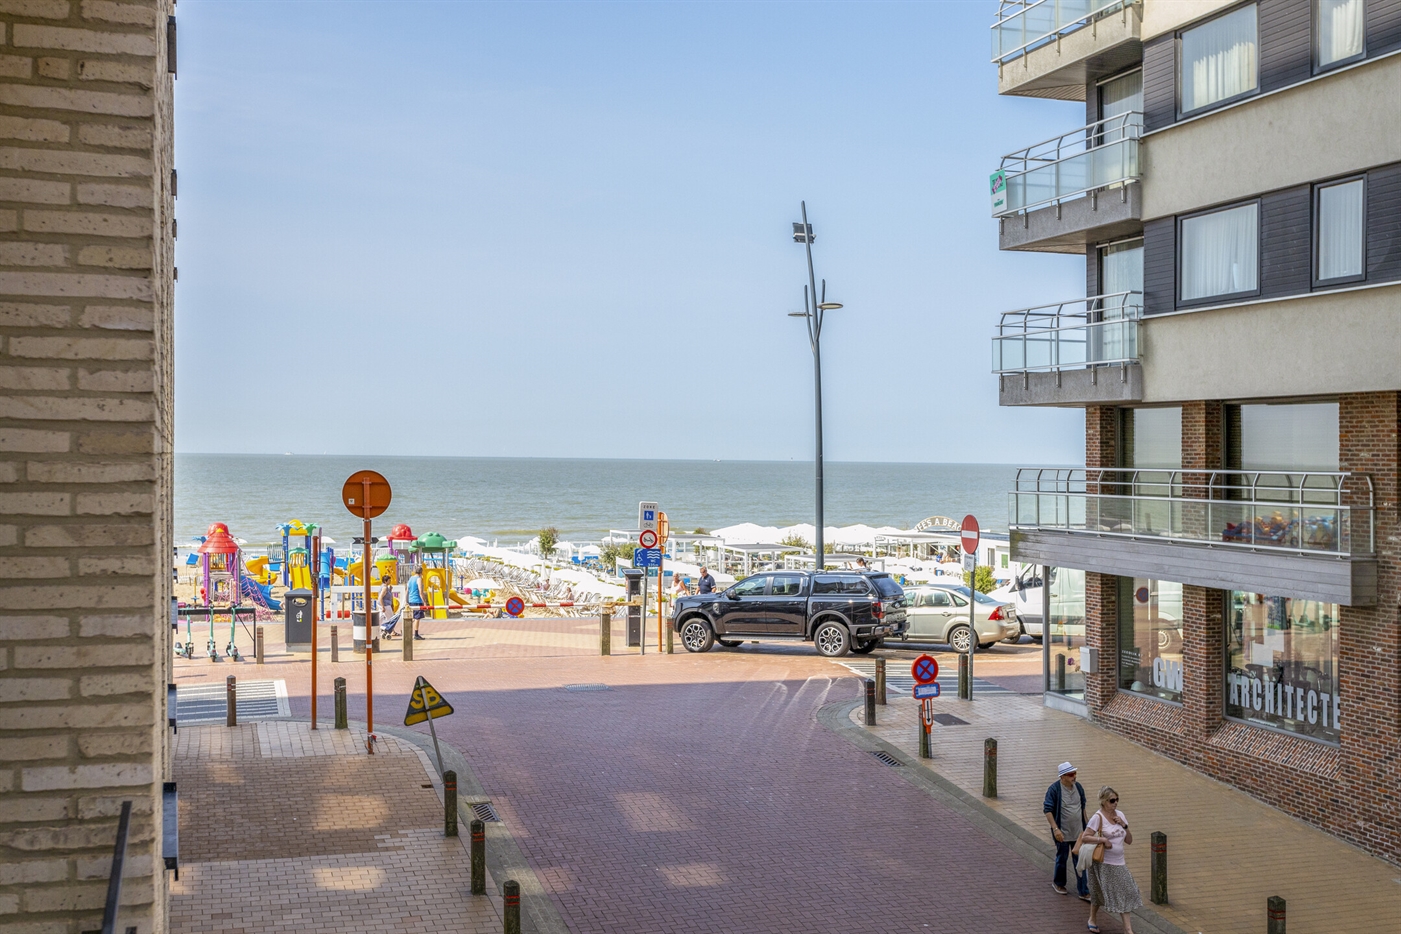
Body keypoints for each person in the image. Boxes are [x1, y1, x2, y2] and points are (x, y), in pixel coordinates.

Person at [1081, 785, 1142, 934]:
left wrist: (1124, 825)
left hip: (1120, 862)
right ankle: (1093, 919)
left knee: (1125, 891)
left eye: (1117, 800)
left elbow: (1129, 840)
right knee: (1098, 893)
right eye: (1112, 800)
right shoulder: (1097, 818)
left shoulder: (1120, 815)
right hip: (1103, 863)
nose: (1115, 803)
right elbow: (1085, 837)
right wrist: (1102, 839)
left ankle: (1127, 929)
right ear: (1103, 801)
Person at [1043, 761, 1089, 900]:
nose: (1074, 777)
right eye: (1070, 774)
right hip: (1062, 832)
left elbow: (1083, 807)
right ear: (1062, 777)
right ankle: (1059, 883)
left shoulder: (1078, 787)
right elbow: (1048, 810)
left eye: (1074, 773)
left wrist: (1088, 826)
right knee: (1062, 858)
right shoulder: (1054, 790)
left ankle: (1083, 890)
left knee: (1080, 860)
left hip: (1078, 831)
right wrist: (1056, 829)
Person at [405, 566, 428, 640]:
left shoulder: (410, 579)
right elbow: (420, 591)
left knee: (413, 617)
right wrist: (424, 602)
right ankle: (416, 634)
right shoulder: (419, 579)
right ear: (421, 572)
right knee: (417, 618)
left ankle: (405, 630)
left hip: (411, 600)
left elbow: (407, 590)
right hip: (417, 600)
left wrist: (406, 601)